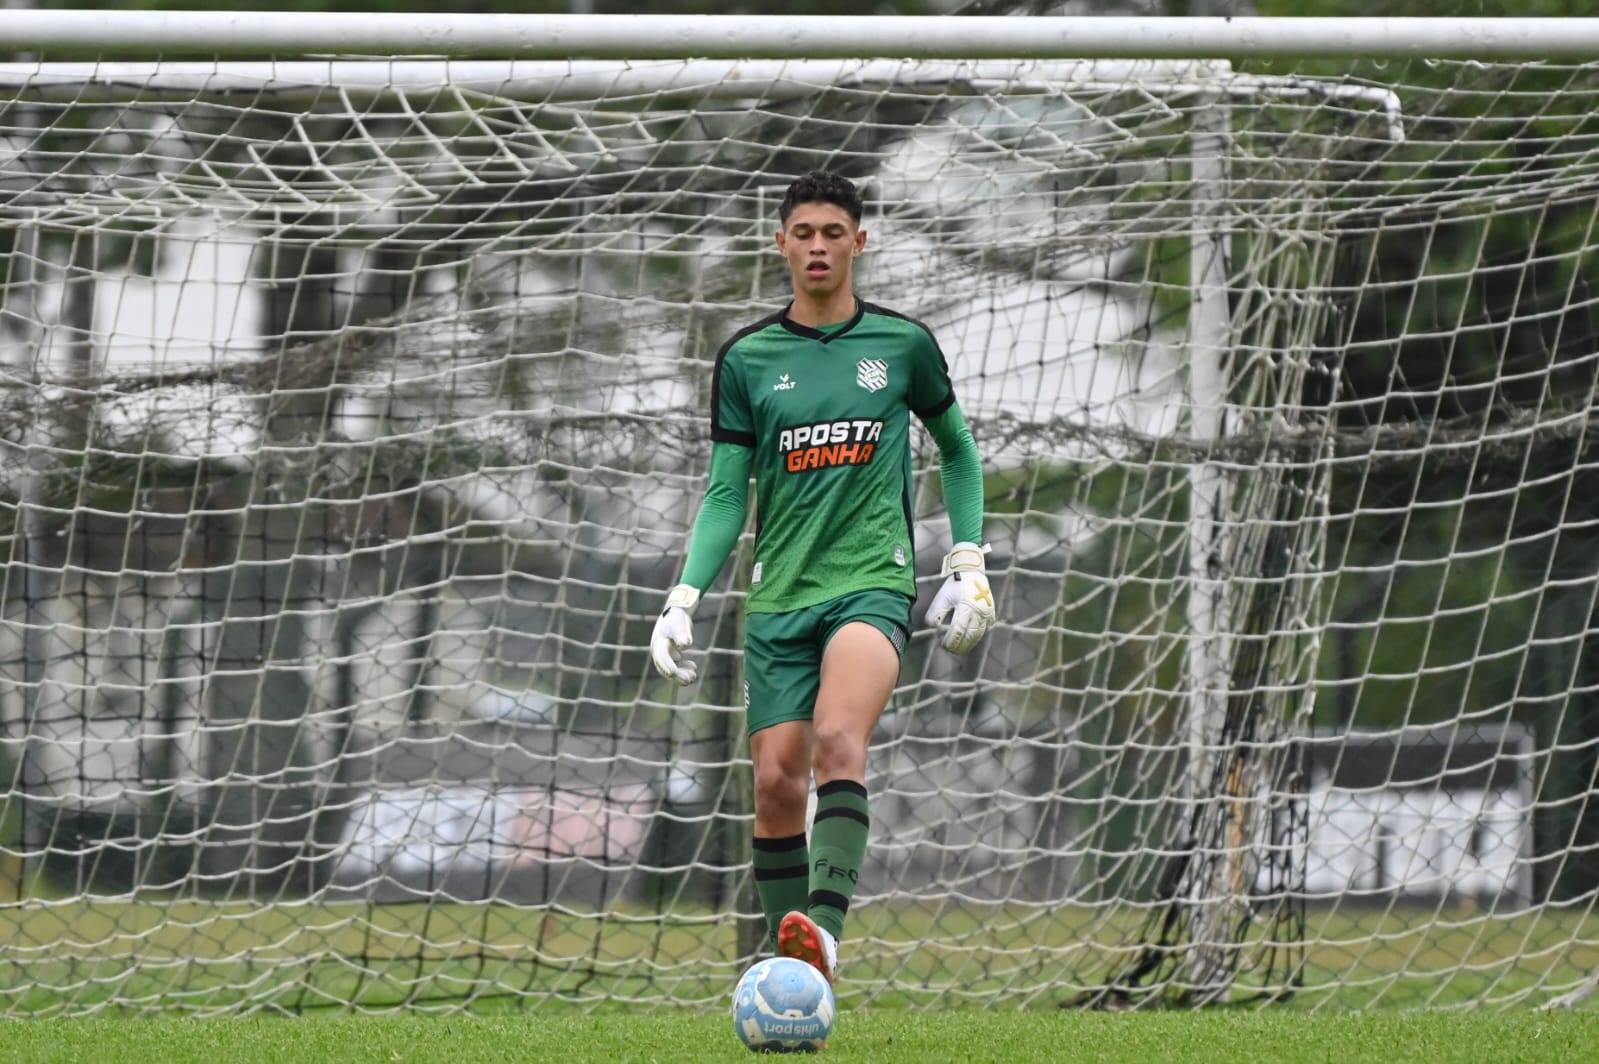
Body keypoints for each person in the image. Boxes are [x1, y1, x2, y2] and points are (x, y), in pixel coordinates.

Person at [649, 170, 993, 987]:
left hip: (871, 585)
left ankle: (824, 937)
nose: (816, 246)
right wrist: (682, 598)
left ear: (858, 243)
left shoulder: (902, 345)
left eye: (832, 233)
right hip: (776, 599)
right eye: (802, 232)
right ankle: (798, 978)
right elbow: (728, 494)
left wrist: (967, 560)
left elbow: (959, 450)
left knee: (840, 742)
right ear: (780, 242)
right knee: (774, 783)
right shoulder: (747, 358)